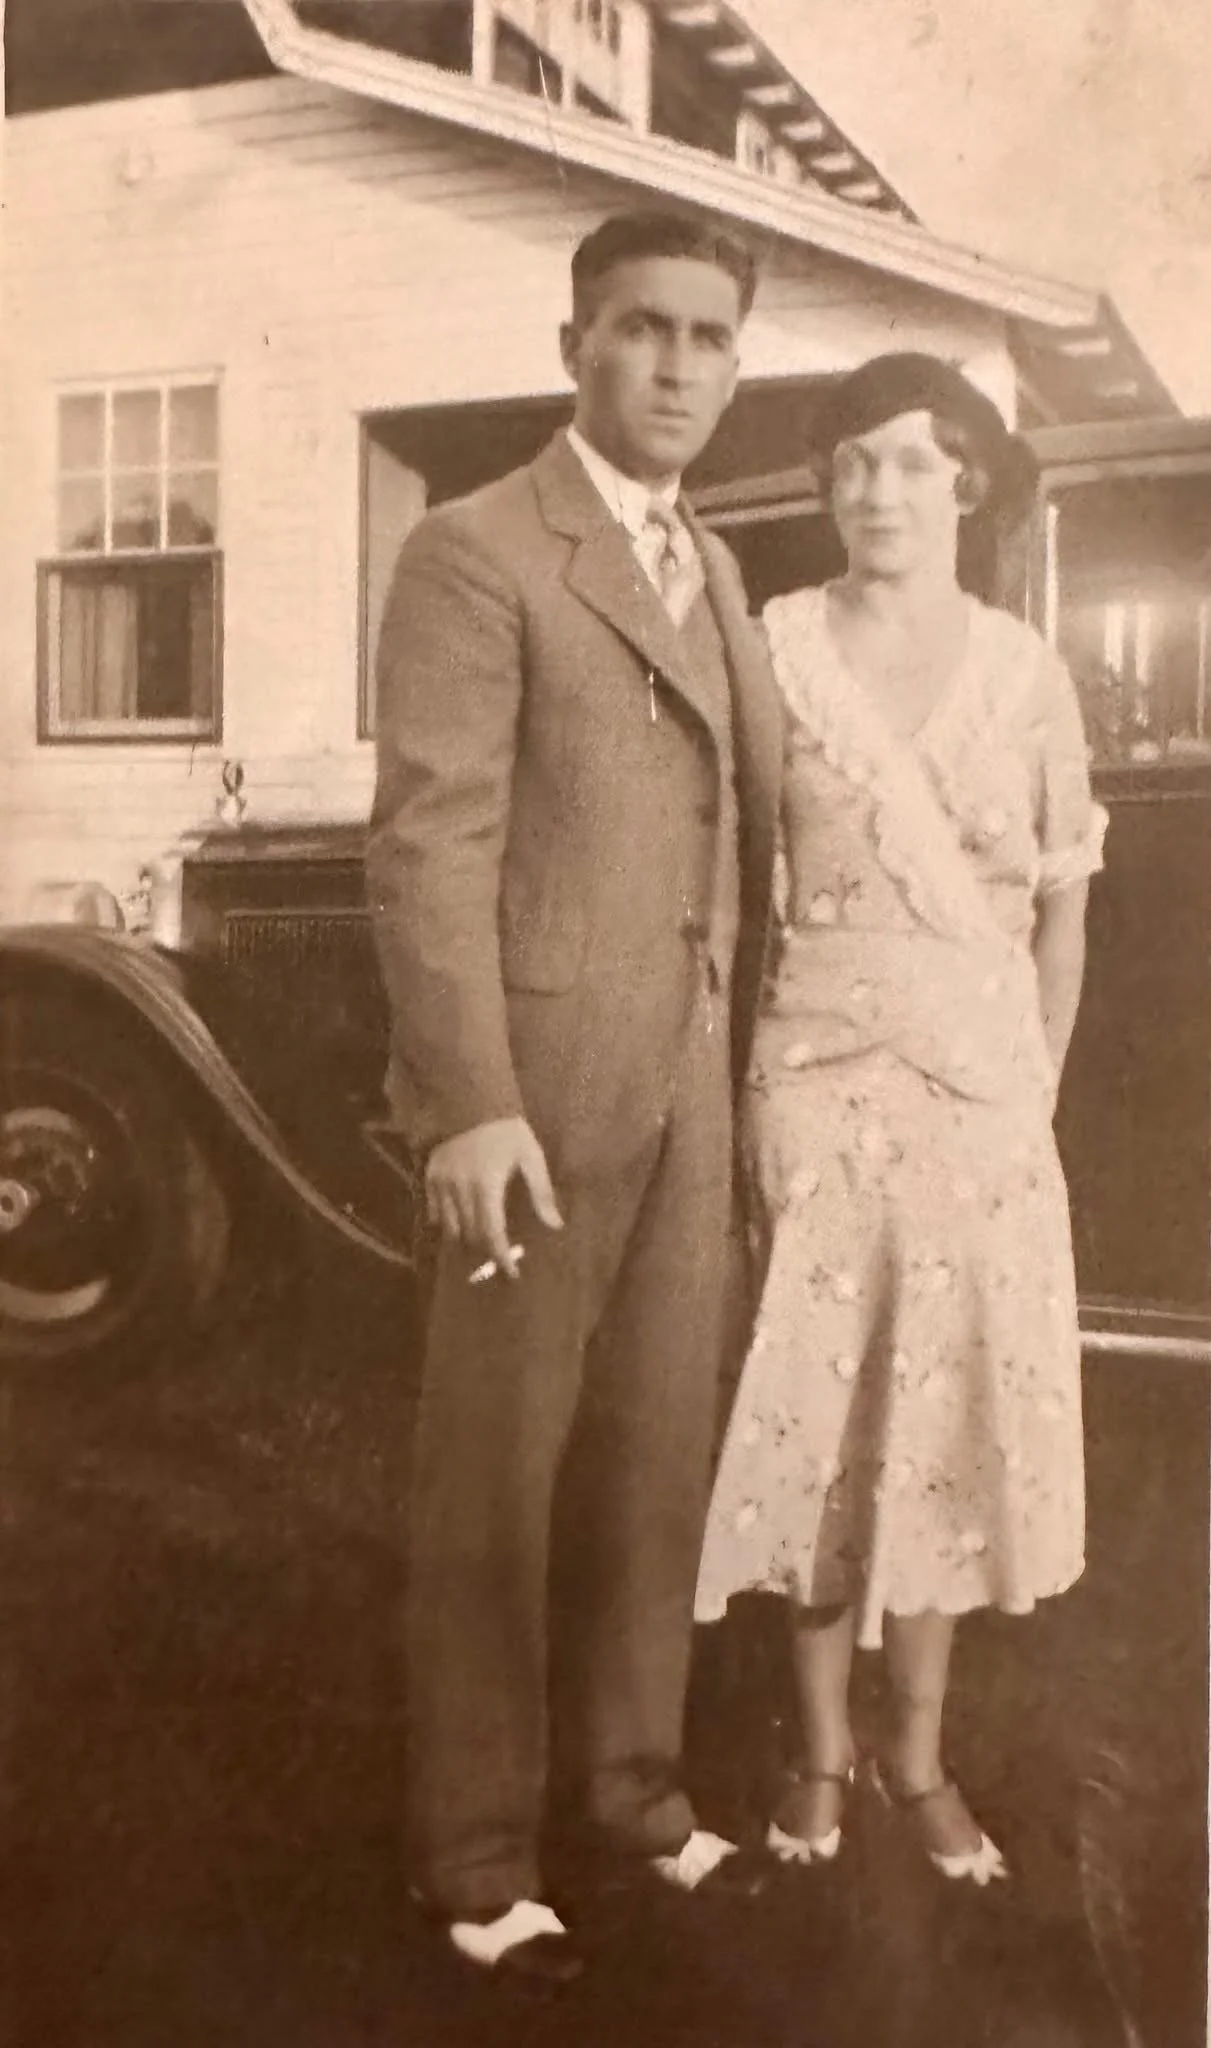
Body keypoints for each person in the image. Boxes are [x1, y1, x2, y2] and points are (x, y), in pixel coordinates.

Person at [366, 210, 783, 1984]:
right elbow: (428, 842)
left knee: (653, 1466)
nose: (677, 366)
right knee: (495, 1483)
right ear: (574, 348)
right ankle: (474, 1861)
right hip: (530, 1106)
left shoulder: (718, 565)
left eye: (708, 336)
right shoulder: (477, 550)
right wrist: (470, 1101)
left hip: (686, 1095)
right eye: (642, 328)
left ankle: (632, 1795)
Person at [694, 352, 1106, 1887]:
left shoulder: (1025, 672)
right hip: (813, 1085)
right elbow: (728, 880)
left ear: (966, 484)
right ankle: (818, 1754)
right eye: (855, 463)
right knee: (818, 1417)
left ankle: (917, 1756)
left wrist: (1026, 1096)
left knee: (935, 1433)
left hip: (978, 1100)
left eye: (914, 462)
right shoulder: (775, 650)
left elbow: (1060, 915)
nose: (879, 491)